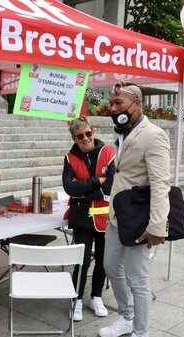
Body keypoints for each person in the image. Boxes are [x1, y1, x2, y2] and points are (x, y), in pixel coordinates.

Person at [99, 81, 170, 337]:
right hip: (117, 218)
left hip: (141, 222)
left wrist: (156, 227)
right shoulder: (123, 133)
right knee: (109, 267)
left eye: (118, 103)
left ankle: (141, 336)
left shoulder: (153, 135)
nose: (112, 108)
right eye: (112, 103)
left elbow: (160, 183)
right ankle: (126, 318)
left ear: (137, 104)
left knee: (137, 279)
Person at [62, 116, 115, 321]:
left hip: (104, 218)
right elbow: (69, 187)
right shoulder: (69, 157)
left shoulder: (109, 152)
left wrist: (85, 193)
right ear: (74, 138)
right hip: (81, 219)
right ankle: (76, 300)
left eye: (88, 133)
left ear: (94, 131)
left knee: (103, 261)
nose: (85, 138)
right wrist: (96, 181)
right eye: (80, 136)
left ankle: (96, 297)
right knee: (81, 262)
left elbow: (111, 184)